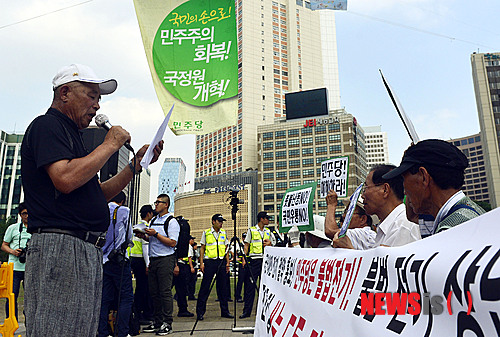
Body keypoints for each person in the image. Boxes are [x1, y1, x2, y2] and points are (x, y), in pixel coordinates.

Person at [21, 63, 163, 337]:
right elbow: (65, 179)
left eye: (99, 99)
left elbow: (96, 194)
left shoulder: (74, 137)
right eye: (91, 96)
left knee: (79, 329)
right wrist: (110, 144)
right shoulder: (47, 125)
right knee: (57, 329)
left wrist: (135, 165)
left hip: (83, 248)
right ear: (65, 93)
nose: (97, 106)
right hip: (60, 245)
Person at [382, 139, 485, 234]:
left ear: (423, 177)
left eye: (404, 180)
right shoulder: (470, 213)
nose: (405, 192)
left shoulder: (451, 230)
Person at [329, 165, 421, 249]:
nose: (362, 195)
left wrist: (349, 249)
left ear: (385, 190)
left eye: (366, 188)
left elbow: (388, 266)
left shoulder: (403, 227)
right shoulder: (386, 228)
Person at [97, 192, 134, 337]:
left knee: (104, 299)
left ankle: (103, 332)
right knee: (125, 297)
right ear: (123, 201)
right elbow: (128, 235)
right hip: (119, 261)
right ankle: (122, 332)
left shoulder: (101, 209)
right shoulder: (124, 211)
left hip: (103, 260)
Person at [143, 194, 179, 335]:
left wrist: (156, 234)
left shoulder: (171, 221)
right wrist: (144, 235)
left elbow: (172, 242)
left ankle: (167, 323)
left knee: (165, 292)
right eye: (155, 202)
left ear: (166, 205)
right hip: (154, 259)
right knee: (154, 293)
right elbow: (152, 238)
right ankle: (157, 321)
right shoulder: (153, 220)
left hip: (165, 259)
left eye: (159, 202)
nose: (156, 205)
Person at [196, 214, 233, 321]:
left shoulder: (223, 233)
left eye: (222, 222)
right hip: (210, 262)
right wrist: (201, 263)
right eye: (219, 221)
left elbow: (226, 249)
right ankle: (200, 312)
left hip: (221, 262)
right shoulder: (206, 233)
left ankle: (225, 311)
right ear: (213, 222)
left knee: (223, 288)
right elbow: (202, 248)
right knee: (205, 287)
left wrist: (227, 263)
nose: (221, 223)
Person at [240, 211, 275, 319]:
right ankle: (247, 312)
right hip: (254, 260)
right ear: (261, 219)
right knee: (250, 287)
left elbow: (274, 243)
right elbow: (246, 245)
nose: (268, 220)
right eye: (267, 218)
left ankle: (266, 311)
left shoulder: (268, 231)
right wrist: (244, 258)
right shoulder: (252, 230)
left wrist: (270, 243)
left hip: (265, 261)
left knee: (265, 287)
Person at [1, 202, 31, 320]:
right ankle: (12, 322)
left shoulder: (36, 229)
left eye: (29, 213)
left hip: (30, 268)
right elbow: (4, 245)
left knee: (30, 299)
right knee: (12, 297)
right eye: (24, 213)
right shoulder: (13, 228)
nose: (27, 216)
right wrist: (13, 252)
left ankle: (29, 323)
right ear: (20, 215)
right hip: (14, 268)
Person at [130, 204, 154, 325]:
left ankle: (137, 312)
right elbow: (145, 247)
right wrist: (147, 264)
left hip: (133, 258)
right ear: (149, 214)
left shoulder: (135, 226)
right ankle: (142, 313)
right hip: (141, 260)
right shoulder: (146, 227)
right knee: (143, 288)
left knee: (140, 287)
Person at [174, 235, 195, 317]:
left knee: (180, 288)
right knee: (181, 288)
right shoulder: (185, 245)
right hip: (181, 266)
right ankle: (182, 309)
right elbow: (189, 258)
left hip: (179, 265)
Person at [234, 232, 246, 302]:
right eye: (244, 237)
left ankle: (246, 296)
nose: (244, 238)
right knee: (240, 281)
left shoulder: (248, 244)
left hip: (248, 265)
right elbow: (233, 252)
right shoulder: (239, 245)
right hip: (241, 265)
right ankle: (238, 296)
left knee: (247, 282)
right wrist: (236, 258)